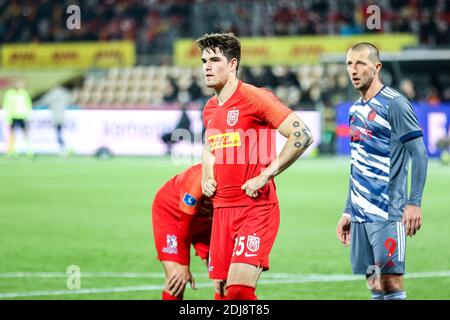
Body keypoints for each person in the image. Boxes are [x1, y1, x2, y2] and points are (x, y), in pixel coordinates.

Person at [197, 32, 314, 300]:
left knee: (239, 292)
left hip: (255, 209)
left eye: (215, 60)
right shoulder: (210, 108)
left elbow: (303, 135)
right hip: (221, 212)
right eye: (204, 61)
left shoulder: (254, 97)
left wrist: (266, 174)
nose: (207, 66)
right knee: (223, 293)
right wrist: (206, 175)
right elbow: (209, 147)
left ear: (233, 64)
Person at [336, 42, 428, 300]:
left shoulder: (395, 104)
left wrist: (414, 202)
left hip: (388, 212)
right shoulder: (355, 111)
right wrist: (348, 210)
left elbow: (419, 153)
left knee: (391, 283)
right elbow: (358, 165)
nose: (353, 70)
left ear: (376, 67)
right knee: (375, 284)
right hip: (360, 214)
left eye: (360, 64)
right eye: (349, 64)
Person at [152, 163, 227, 300]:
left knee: (223, 277)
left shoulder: (236, 179)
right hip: (172, 216)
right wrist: (183, 264)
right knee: (177, 278)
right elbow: (184, 225)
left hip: (205, 221)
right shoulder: (196, 182)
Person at [35, 83, 73, 156]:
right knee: (60, 132)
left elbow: (44, 101)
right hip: (62, 115)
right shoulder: (64, 93)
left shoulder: (52, 94)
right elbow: (70, 101)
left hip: (56, 116)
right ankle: (63, 149)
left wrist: (34, 105)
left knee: (58, 133)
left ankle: (63, 149)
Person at [2, 80, 33, 158]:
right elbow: (6, 105)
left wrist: (29, 115)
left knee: (26, 134)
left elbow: (28, 104)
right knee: (12, 135)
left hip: (22, 116)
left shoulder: (24, 93)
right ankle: (12, 151)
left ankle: (29, 151)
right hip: (13, 117)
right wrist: (7, 117)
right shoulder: (9, 93)